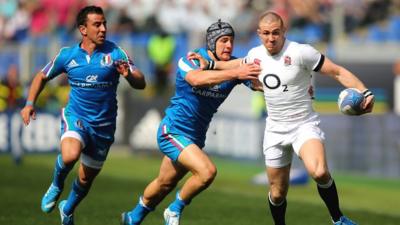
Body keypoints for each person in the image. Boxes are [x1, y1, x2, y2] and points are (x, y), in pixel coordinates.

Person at [204, 11, 374, 225]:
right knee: (277, 193)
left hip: (304, 124)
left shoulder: (301, 52)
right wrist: (209, 64)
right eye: (265, 33)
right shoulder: (255, 54)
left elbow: (337, 71)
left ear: (284, 31)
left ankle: (338, 219)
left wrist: (365, 93)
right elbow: (235, 65)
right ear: (259, 33)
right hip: (275, 129)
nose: (271, 38)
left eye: (275, 32)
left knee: (319, 171)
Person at [120, 19, 262, 225]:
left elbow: (260, 84)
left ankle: (132, 217)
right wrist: (235, 72)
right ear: (212, 42)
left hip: (194, 138)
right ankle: (174, 210)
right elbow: (196, 79)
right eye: (223, 41)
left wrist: (286, 85)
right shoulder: (192, 58)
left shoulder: (233, 65)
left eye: (231, 41)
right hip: (173, 131)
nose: (229, 46)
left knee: (164, 183)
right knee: (207, 172)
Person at [20, 5, 146, 225]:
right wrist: (29, 103)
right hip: (76, 116)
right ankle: (57, 184)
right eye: (97, 24)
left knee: (86, 179)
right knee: (69, 156)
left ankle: (67, 209)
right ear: (83, 29)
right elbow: (41, 76)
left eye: (104, 23)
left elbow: (140, 82)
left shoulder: (116, 52)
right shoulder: (68, 55)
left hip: (104, 125)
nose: (103, 28)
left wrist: (129, 75)